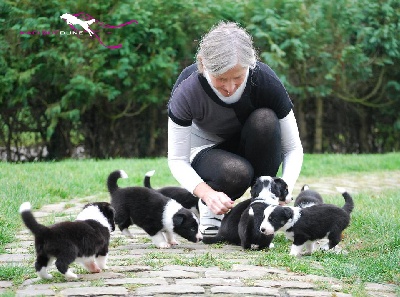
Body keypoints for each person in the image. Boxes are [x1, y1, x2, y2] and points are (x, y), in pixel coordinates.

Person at [167, 21, 303, 235]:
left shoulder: (264, 79)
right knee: (236, 172)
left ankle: (261, 205)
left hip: (248, 144)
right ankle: (211, 211)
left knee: (266, 119)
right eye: (221, 79)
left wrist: (285, 189)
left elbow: (293, 148)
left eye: (238, 78)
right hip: (207, 154)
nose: (230, 87)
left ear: (251, 65)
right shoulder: (187, 88)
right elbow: (177, 160)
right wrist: (207, 194)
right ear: (203, 64)